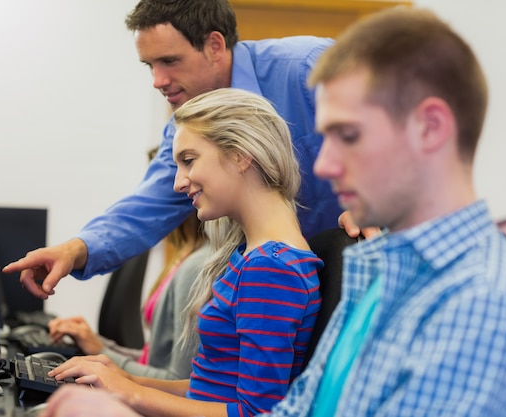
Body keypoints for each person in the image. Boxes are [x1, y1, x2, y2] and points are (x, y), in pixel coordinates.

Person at [38, 7, 506, 417]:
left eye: (348, 136)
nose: (324, 165)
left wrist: (129, 394)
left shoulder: (480, 299)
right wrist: (124, 386)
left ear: (429, 128)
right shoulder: (373, 275)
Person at [2, 0, 347, 300]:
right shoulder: (186, 127)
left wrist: (377, 209)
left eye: (169, 61)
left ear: (214, 45)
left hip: (362, 267)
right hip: (296, 285)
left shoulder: (308, 67)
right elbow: (147, 207)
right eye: (150, 66)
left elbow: (397, 130)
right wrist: (75, 249)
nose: (157, 80)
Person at [44, 88, 323, 417]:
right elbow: (209, 389)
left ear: (240, 154)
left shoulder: (271, 269)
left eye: (188, 161)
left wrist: (130, 394)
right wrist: (125, 378)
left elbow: (255, 413)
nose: (178, 182)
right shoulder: (252, 257)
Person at [48, 211, 209, 379]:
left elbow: (177, 381)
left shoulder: (196, 266)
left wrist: (101, 352)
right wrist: (97, 343)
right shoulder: (186, 255)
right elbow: (153, 361)